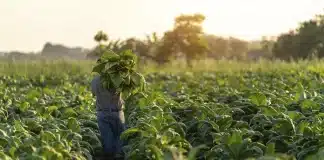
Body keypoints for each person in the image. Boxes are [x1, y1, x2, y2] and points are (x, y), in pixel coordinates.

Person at [91, 74, 126, 160]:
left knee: (107, 139)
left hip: (102, 113)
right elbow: (128, 88)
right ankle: (118, 156)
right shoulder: (118, 78)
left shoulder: (95, 80)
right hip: (117, 113)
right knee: (119, 138)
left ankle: (109, 156)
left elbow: (93, 93)